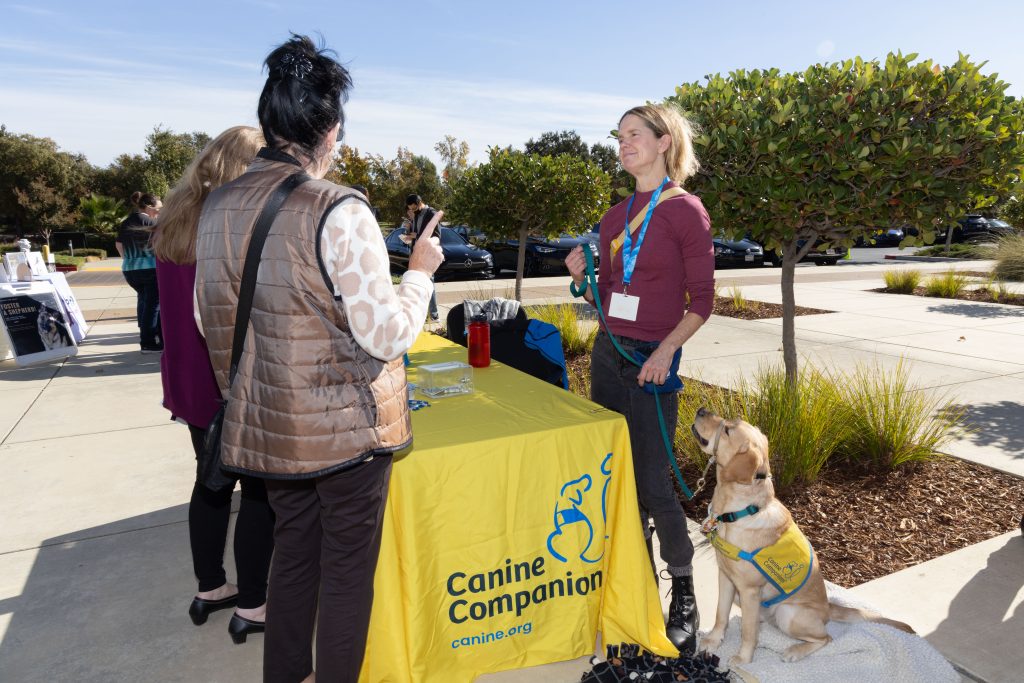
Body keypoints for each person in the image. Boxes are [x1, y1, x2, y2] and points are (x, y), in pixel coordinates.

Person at [194, 34, 444, 683]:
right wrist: (419, 274)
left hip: (269, 425)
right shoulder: (337, 207)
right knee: (344, 579)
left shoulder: (216, 205)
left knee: (293, 564)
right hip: (346, 435)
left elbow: (207, 318)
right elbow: (386, 334)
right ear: (330, 128)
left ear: (270, 121)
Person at [565, 103, 715, 655]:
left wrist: (667, 352)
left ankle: (684, 590)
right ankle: (635, 578)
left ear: (663, 141)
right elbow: (603, 297)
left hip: (655, 361)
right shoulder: (614, 216)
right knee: (617, 478)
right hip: (608, 356)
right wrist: (583, 279)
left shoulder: (686, 212)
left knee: (654, 485)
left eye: (634, 135)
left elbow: (703, 301)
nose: (623, 143)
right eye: (619, 136)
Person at [151, 126, 276, 645]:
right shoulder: (229, 224)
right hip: (231, 380)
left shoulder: (173, 221)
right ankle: (253, 601)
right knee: (259, 495)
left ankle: (210, 586)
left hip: (187, 377)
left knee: (209, 485)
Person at [116, 191, 162, 352]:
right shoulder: (152, 223)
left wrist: (128, 259)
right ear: (149, 207)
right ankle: (148, 341)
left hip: (130, 269)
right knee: (153, 305)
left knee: (144, 301)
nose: (159, 212)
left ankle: (147, 333)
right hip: (150, 268)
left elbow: (119, 245)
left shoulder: (126, 222)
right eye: (158, 209)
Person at [405, 193, 441, 320]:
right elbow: (415, 233)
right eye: (410, 209)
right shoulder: (415, 215)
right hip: (415, 254)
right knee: (416, 284)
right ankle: (421, 315)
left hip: (426, 255)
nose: (412, 211)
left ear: (419, 203)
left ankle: (434, 315)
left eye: (413, 208)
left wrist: (417, 236)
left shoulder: (431, 214)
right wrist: (409, 232)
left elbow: (436, 235)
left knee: (428, 283)